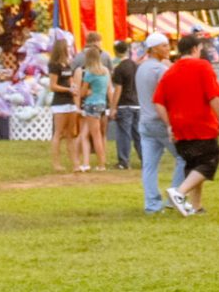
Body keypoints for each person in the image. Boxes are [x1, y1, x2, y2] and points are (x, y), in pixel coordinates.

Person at [151, 34, 219, 216]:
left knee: (194, 165)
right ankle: (179, 193)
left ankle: (196, 205)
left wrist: (169, 124)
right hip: (202, 124)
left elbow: (158, 102)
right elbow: (213, 96)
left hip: (179, 127)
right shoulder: (202, 66)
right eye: (200, 49)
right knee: (209, 162)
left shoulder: (170, 72)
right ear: (194, 49)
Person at [134, 33, 184, 213]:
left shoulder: (141, 68)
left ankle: (152, 205)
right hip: (160, 121)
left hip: (145, 121)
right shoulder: (159, 70)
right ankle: (175, 196)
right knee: (183, 158)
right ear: (154, 49)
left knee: (149, 166)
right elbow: (170, 96)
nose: (167, 48)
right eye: (164, 46)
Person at [46, 38, 79, 173]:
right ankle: (56, 163)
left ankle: (76, 163)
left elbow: (70, 79)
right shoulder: (54, 65)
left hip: (70, 101)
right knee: (58, 133)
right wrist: (67, 90)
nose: (70, 48)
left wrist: (74, 86)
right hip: (60, 102)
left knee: (70, 134)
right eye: (68, 46)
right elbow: (52, 86)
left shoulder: (67, 64)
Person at [77, 44, 111, 172]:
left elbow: (82, 93)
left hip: (91, 104)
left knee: (95, 135)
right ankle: (100, 162)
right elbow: (107, 89)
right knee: (99, 135)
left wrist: (86, 90)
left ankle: (101, 164)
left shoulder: (89, 73)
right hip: (102, 103)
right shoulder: (105, 71)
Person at [107, 40, 140, 170]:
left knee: (123, 134)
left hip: (124, 104)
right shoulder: (136, 66)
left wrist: (113, 107)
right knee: (137, 133)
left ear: (116, 52)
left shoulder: (119, 68)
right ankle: (144, 158)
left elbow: (118, 89)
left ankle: (124, 161)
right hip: (137, 104)